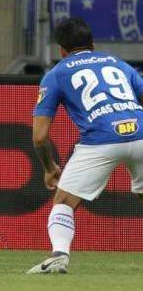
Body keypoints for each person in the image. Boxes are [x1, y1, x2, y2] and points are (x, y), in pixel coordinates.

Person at [28, 18, 143, 274]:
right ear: (92, 44)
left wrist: (49, 167)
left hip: (101, 140)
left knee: (64, 201)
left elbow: (39, 136)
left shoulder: (56, 74)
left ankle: (59, 255)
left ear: (61, 51)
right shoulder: (118, 64)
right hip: (141, 132)